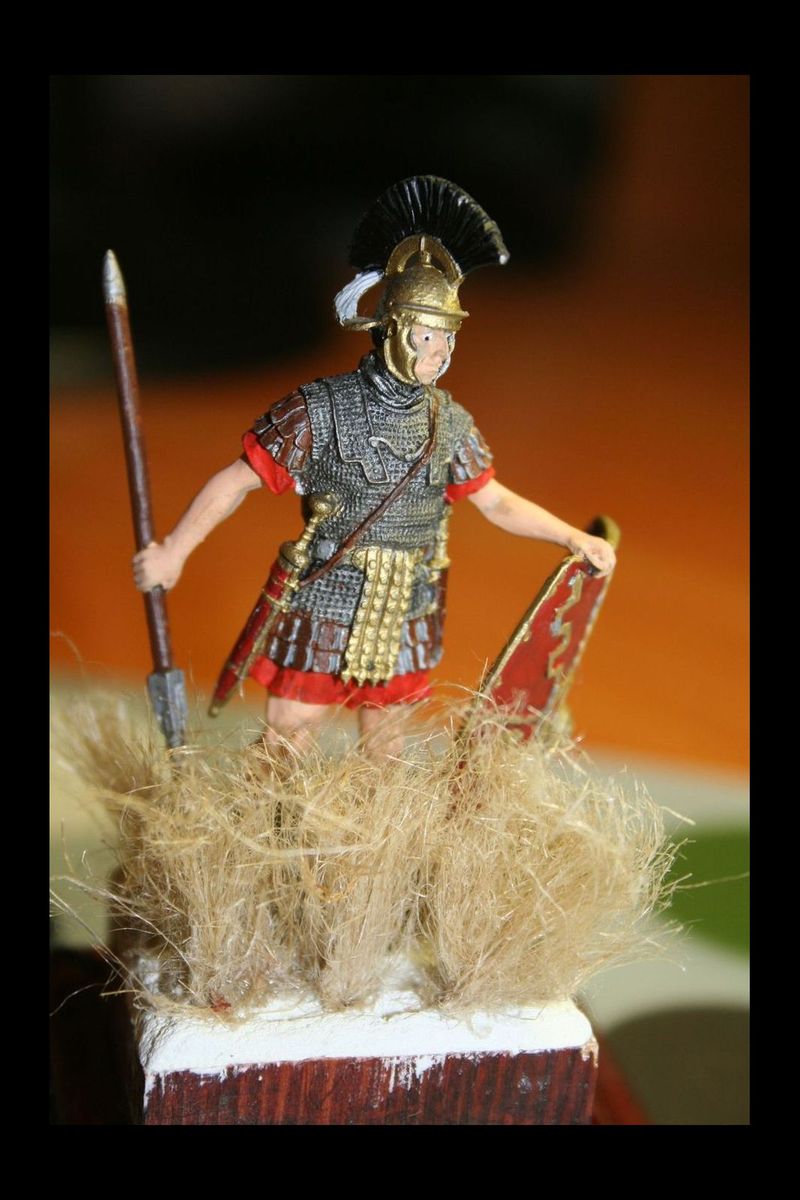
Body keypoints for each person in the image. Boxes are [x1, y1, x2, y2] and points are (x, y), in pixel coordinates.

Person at [133, 178, 615, 754]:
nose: (438, 352)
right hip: (327, 595)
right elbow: (234, 483)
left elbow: (496, 501)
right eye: (426, 335)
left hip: (406, 603)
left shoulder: (450, 423)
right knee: (289, 735)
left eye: (447, 337)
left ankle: (371, 816)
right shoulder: (320, 409)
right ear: (392, 331)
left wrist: (570, 538)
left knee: (386, 747)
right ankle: (279, 810)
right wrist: (174, 551)